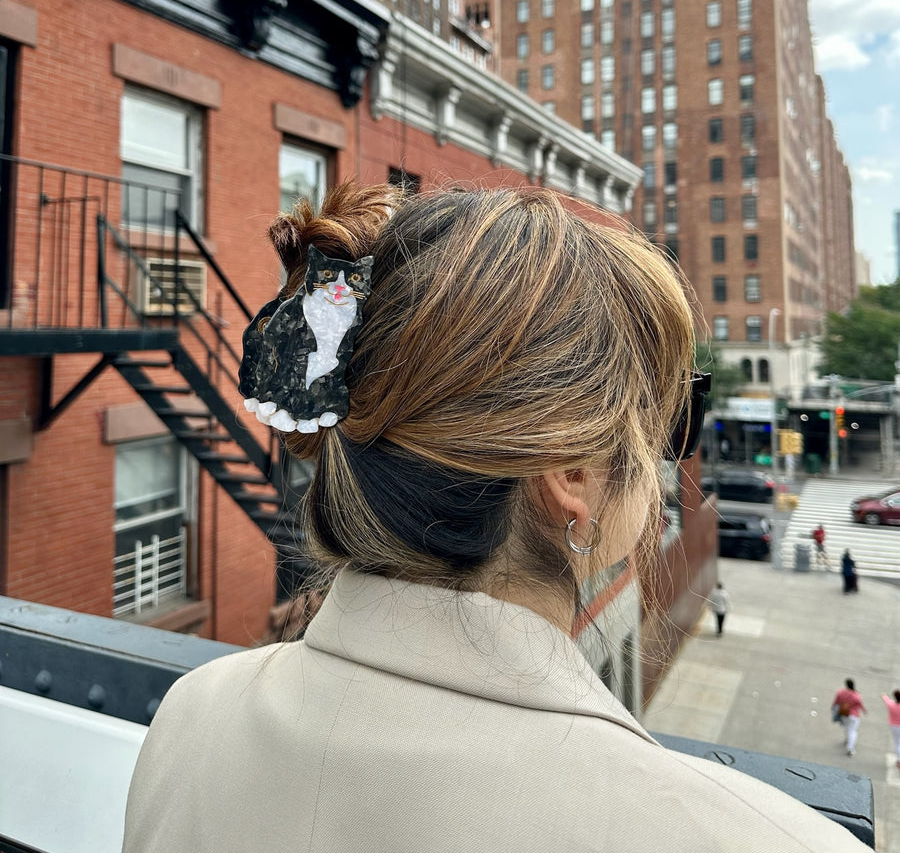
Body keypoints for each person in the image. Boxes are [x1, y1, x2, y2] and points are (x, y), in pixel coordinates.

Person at [123, 183, 865, 852]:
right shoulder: (759, 840)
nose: (671, 453)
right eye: (671, 414)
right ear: (571, 474)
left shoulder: (189, 718)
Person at [832, 678, 867, 756]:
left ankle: (847, 740)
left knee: (847, 728)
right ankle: (850, 748)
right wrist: (864, 710)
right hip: (853, 716)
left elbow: (836, 702)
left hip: (844, 713)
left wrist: (833, 708)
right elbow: (860, 705)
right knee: (853, 731)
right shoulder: (856, 695)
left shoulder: (841, 692)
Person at [882, 690, 900, 769]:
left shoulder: (891, 704)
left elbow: (886, 699)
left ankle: (899, 760)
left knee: (897, 743)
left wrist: (884, 695)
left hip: (894, 726)